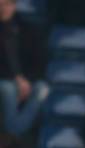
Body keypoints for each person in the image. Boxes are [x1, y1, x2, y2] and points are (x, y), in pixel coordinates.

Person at [0, 0, 48, 137]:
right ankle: (15, 130)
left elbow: (39, 61)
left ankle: (14, 130)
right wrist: (17, 80)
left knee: (41, 87)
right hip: (4, 79)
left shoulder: (28, 29)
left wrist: (26, 81)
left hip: (28, 79)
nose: (2, 9)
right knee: (8, 91)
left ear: (14, 6)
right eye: (0, 5)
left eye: (6, 4)